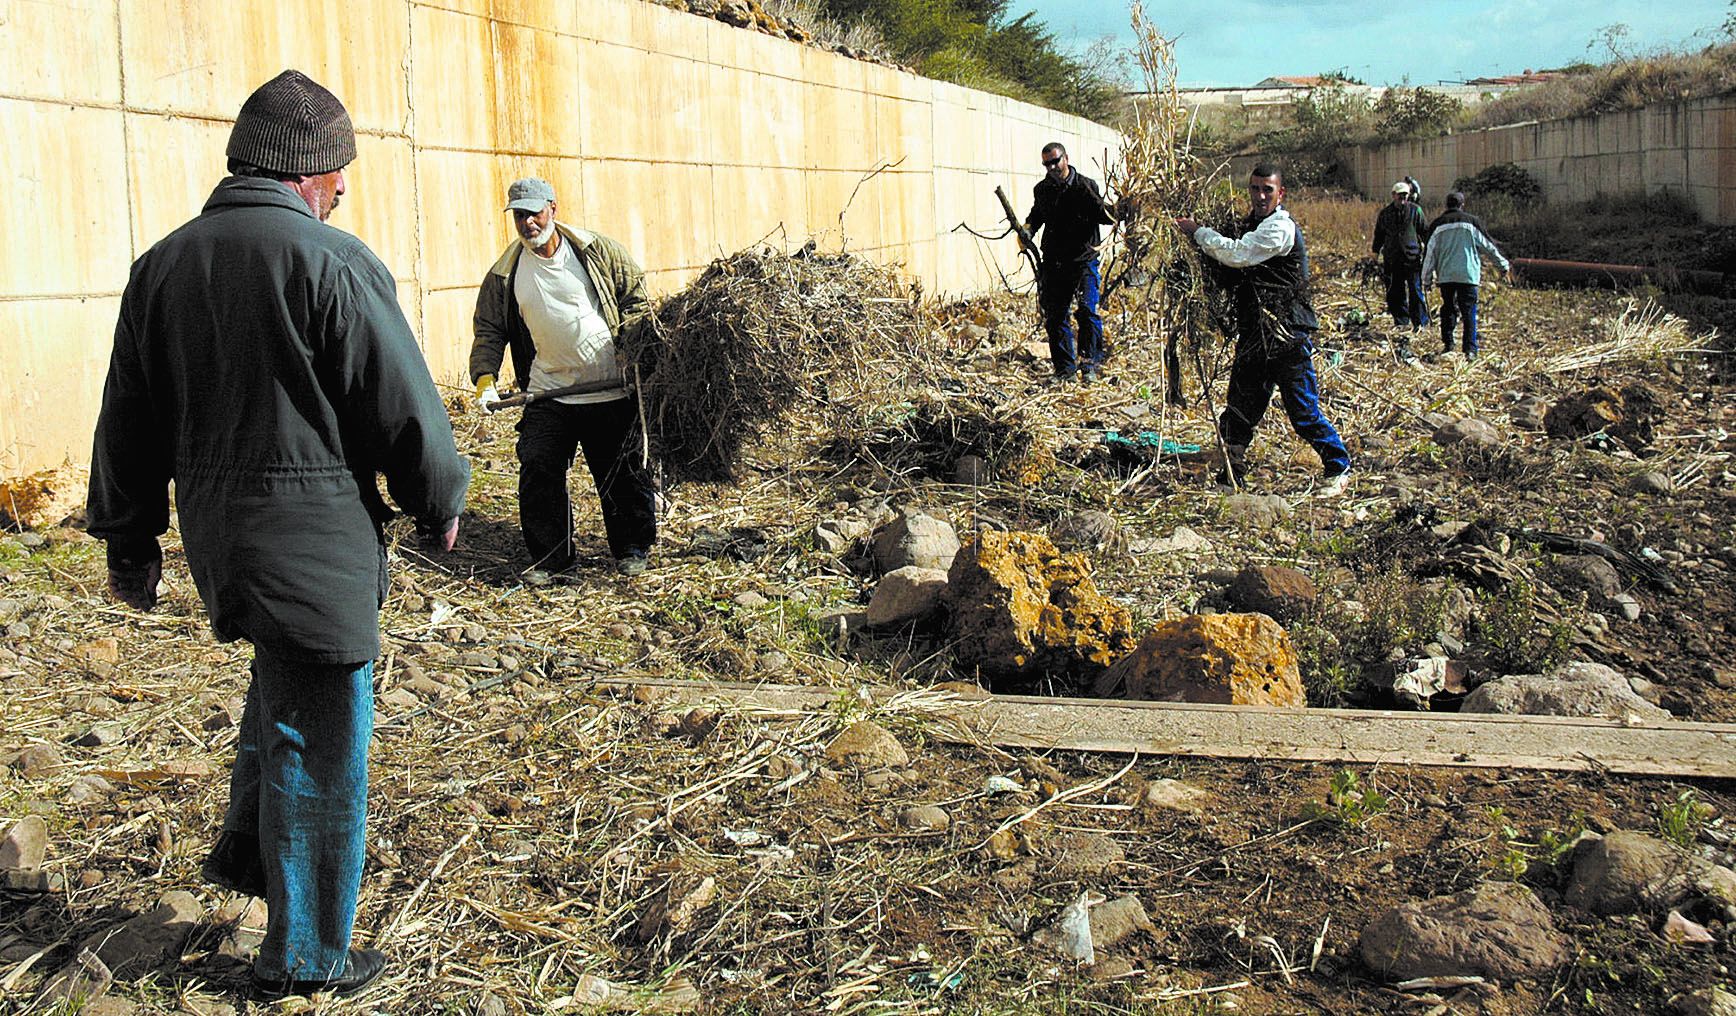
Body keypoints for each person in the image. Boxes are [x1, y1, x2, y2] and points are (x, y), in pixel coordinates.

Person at [86, 70, 470, 1001]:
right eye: (340, 171)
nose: (344, 189)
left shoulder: (163, 265)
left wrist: (128, 537)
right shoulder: (331, 262)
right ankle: (306, 955)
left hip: (223, 540)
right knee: (321, 741)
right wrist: (440, 495)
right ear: (308, 173)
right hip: (315, 543)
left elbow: (126, 419)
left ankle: (246, 858)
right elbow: (400, 404)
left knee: (280, 693)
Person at [470, 178, 658, 577]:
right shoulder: (506, 274)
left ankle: (632, 549)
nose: (528, 224)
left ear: (553, 208)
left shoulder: (597, 252)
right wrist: (485, 378)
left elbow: (636, 299)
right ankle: (551, 558)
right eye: (519, 216)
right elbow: (489, 330)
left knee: (621, 471)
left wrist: (634, 348)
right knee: (538, 467)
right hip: (548, 392)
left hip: (608, 387)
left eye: (534, 213)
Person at [1175, 163, 1352, 497]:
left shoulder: (1279, 229)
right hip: (1255, 334)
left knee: (1302, 410)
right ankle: (1232, 475)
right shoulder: (1249, 226)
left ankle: (1338, 466)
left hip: (1287, 334)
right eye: (1255, 188)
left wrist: (1198, 232)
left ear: (1280, 194)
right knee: (1240, 406)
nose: (1260, 195)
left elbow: (1238, 254)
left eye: (1267, 190)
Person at [1024, 141, 1115, 382]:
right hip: (1055, 262)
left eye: (1055, 161)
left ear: (1066, 158)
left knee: (1087, 310)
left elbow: (1103, 214)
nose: (1052, 167)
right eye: (1047, 164)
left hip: (1084, 260)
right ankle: (1065, 370)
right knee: (1055, 315)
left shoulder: (1085, 186)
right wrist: (1027, 230)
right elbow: (1036, 215)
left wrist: (1123, 210)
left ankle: (1089, 365)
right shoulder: (1042, 190)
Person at [1421, 191, 1511, 360]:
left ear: (1446, 205)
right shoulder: (1472, 222)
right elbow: (1488, 247)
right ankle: (1470, 350)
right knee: (1469, 311)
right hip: (1468, 276)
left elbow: (1429, 254)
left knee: (1448, 309)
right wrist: (1503, 265)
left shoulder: (1438, 224)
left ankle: (1448, 344)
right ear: (1462, 205)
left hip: (1446, 276)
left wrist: (1426, 279)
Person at [1371, 179, 1431, 358]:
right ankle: (1401, 321)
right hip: (1392, 259)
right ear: (1393, 196)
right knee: (1395, 292)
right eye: (1400, 196)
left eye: (1405, 196)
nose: (1403, 199)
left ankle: (1420, 322)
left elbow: (1424, 232)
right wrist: (1375, 253)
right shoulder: (1385, 214)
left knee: (1415, 291)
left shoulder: (1415, 211)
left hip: (1411, 259)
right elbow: (1379, 235)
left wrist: (1429, 252)